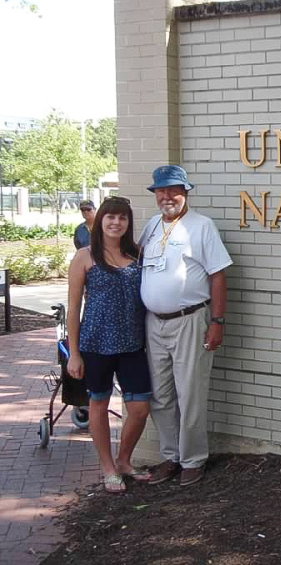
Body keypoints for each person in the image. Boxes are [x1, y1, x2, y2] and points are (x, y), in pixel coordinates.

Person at [139, 165, 232, 487]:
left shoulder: (201, 226)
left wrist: (217, 322)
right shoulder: (151, 226)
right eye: (161, 191)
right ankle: (171, 457)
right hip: (154, 324)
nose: (167, 196)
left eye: (174, 190)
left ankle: (193, 460)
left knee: (189, 393)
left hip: (191, 321)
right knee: (160, 395)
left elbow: (218, 275)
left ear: (186, 192)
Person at [66, 196, 152, 494]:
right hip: (95, 345)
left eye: (123, 218)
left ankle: (124, 460)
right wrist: (73, 353)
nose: (116, 223)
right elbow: (74, 308)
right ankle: (108, 468)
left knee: (139, 408)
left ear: (128, 223)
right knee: (98, 405)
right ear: (100, 220)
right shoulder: (85, 257)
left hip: (132, 346)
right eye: (110, 217)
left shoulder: (138, 255)